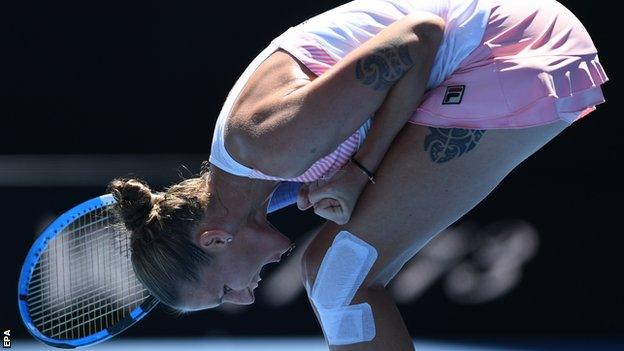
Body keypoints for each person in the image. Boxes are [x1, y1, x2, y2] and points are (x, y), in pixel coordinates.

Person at [109, 0, 608, 349]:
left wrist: (361, 170)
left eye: (224, 292)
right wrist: (350, 170)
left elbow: (420, 37)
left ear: (214, 240)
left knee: (337, 279)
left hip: (518, 46)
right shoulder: (254, 171)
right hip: (501, 45)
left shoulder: (269, 144)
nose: (244, 298)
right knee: (332, 270)